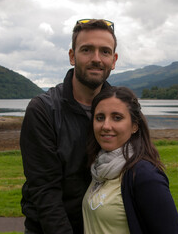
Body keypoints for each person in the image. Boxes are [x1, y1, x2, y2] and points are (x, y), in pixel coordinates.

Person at [20, 19, 118, 234]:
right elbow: (45, 191)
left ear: (114, 60)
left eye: (105, 51)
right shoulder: (43, 110)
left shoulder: (123, 110)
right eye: (86, 50)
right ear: (72, 56)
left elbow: (140, 168)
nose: (96, 59)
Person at [83, 86, 178, 234]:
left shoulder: (145, 176)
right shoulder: (99, 168)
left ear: (134, 126)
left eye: (117, 118)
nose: (105, 126)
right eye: (100, 118)